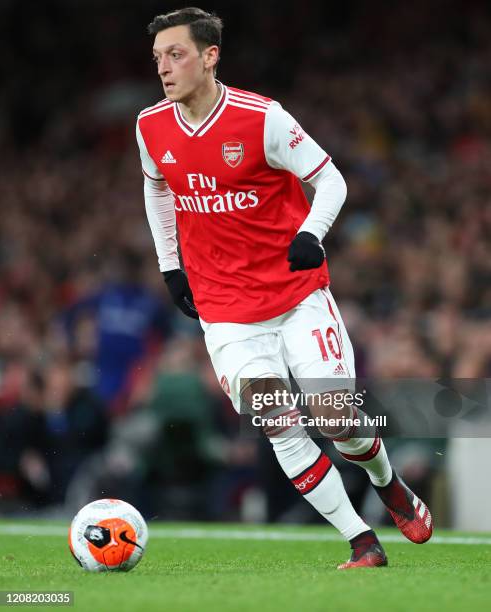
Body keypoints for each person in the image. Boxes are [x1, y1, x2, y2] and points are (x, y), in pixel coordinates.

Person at [135, 7, 433, 568]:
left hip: (295, 295)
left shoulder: (261, 118)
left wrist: (311, 234)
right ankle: (360, 540)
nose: (165, 69)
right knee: (277, 421)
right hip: (225, 309)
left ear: (210, 56)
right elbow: (157, 190)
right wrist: (170, 265)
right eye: (157, 59)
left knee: (335, 417)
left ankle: (389, 483)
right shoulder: (150, 125)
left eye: (175, 54)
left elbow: (331, 180)